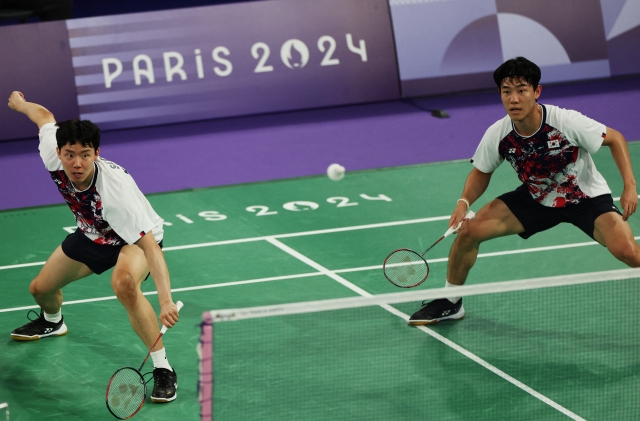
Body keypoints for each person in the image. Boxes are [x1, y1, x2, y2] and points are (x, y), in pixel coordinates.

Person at [409, 57, 640, 325]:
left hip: (584, 199)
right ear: (500, 94)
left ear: (536, 91)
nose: (514, 99)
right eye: (507, 92)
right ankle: (450, 302)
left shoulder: (565, 120)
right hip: (536, 198)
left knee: (629, 253)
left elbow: (615, 138)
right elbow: (482, 171)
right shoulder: (499, 132)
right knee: (469, 231)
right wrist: (463, 201)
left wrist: (630, 186)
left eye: (521, 90)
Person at [6, 91, 180, 403]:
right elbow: (44, 115)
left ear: (96, 153)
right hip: (93, 233)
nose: (77, 163)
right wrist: (22, 106)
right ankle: (52, 321)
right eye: (70, 154)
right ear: (58, 152)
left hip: (133, 239)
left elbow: (151, 248)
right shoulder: (53, 154)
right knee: (40, 289)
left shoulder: (115, 194)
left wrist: (165, 301)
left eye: (85, 154)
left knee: (124, 283)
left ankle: (162, 366)